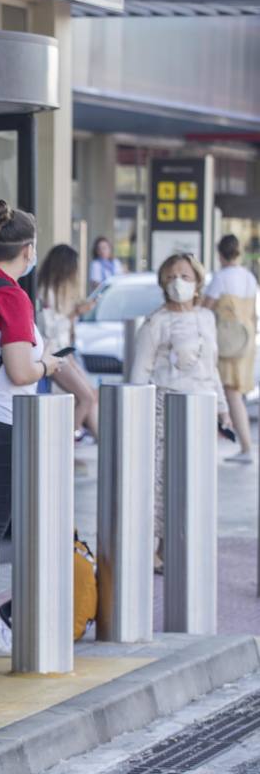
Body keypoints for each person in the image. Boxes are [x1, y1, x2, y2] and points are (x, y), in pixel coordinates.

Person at [0, 202, 60, 656]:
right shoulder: (11, 296)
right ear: (28, 250)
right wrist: (51, 362)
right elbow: (21, 371)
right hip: (3, 422)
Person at [130, 253, 231, 567]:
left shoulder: (206, 318)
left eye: (185, 277)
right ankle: (158, 548)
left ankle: (190, 544)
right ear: (162, 281)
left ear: (198, 282)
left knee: (197, 481)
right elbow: (138, 374)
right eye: (172, 276)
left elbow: (211, 367)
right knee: (164, 479)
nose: (178, 283)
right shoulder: (156, 322)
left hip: (202, 407)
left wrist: (223, 409)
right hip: (167, 408)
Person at [201, 234, 257, 463]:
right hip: (245, 340)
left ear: (220, 254)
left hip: (225, 342)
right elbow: (253, 313)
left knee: (226, 392)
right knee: (234, 393)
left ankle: (243, 447)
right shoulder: (249, 277)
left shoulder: (221, 278)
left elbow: (205, 308)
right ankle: (242, 445)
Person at [37, 244, 99, 440]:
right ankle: (68, 440)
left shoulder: (60, 292)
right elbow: (48, 330)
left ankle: (101, 440)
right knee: (86, 397)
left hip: (65, 353)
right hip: (53, 355)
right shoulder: (44, 293)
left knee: (91, 394)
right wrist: (74, 314)